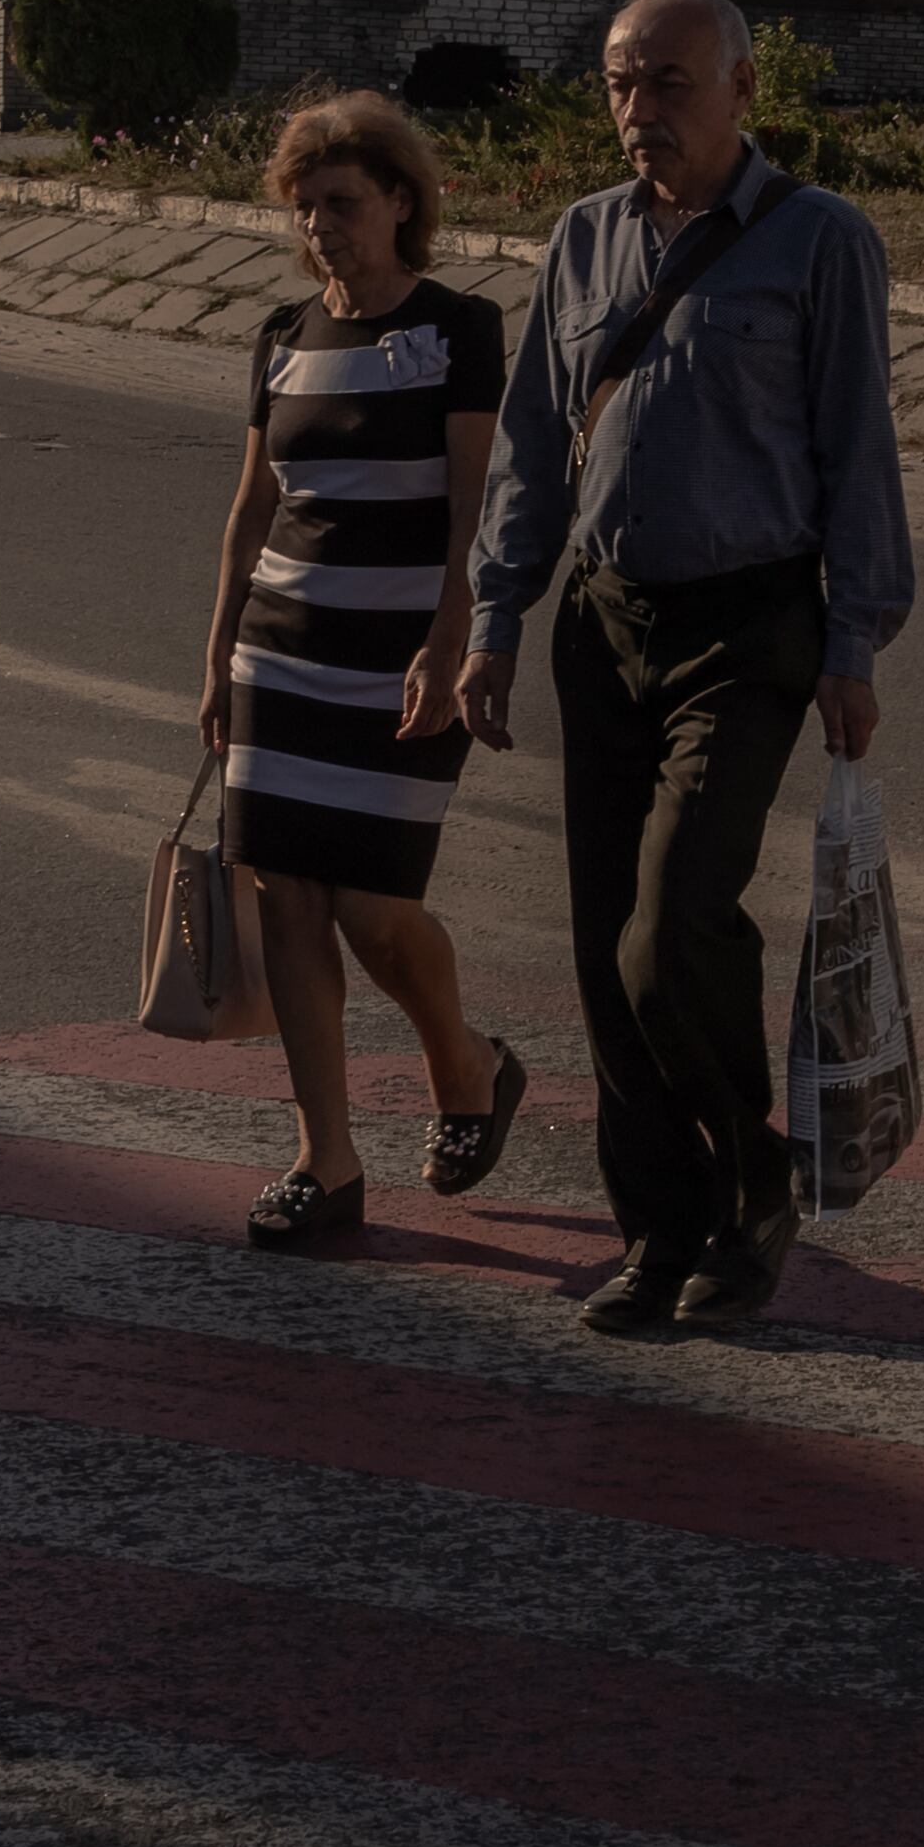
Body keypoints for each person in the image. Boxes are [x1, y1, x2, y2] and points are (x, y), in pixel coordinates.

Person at [460, 0, 909, 1336]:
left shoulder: (821, 241)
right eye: (618, 83)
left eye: (667, 82)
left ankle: (753, 1174)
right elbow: (537, 446)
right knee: (606, 952)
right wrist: (494, 619)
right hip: (603, 621)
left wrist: (853, 640)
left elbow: (857, 452)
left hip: (747, 624)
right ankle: (660, 1231)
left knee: (669, 928)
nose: (639, 110)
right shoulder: (586, 238)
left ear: (742, 93)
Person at [196, 91, 530, 1245]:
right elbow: (251, 511)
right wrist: (213, 662)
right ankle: (323, 1161)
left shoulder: (456, 329)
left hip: (404, 661)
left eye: (341, 203)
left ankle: (469, 1063)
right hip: (278, 658)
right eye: (304, 209)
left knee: (378, 910)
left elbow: (475, 509)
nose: (320, 226)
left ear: (400, 201)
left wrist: (451, 639)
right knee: (287, 899)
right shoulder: (284, 338)